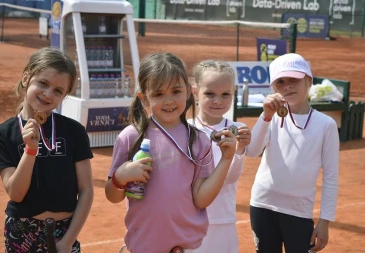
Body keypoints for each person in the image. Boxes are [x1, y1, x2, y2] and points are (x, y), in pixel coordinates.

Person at [104, 52, 237, 253]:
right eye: (158, 94)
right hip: (144, 245)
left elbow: (201, 199)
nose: (169, 101)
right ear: (143, 97)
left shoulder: (199, 140)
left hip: (188, 248)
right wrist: (120, 177)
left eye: (176, 91)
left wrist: (226, 160)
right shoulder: (130, 137)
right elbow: (113, 196)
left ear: (188, 92)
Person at [0, 47, 94, 253]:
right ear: (27, 77)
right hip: (21, 230)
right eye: (43, 83)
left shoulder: (74, 131)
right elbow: (16, 194)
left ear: (64, 96)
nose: (48, 94)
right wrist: (30, 151)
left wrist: (68, 240)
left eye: (58, 91)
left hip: (65, 231)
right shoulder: (1, 134)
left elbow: (87, 190)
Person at [246, 53, 339, 253]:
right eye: (281, 81)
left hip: (299, 212)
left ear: (309, 80)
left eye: (294, 79)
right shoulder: (271, 117)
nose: (288, 86)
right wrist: (266, 116)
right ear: (273, 88)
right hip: (263, 206)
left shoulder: (326, 125)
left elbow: (331, 176)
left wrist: (324, 222)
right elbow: (252, 151)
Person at [189, 60, 251, 253]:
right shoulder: (185, 129)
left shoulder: (238, 129)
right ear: (195, 92)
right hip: (189, 219)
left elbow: (230, 178)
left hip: (223, 218)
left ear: (233, 92)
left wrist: (239, 149)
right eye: (210, 93)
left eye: (225, 94)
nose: (218, 100)